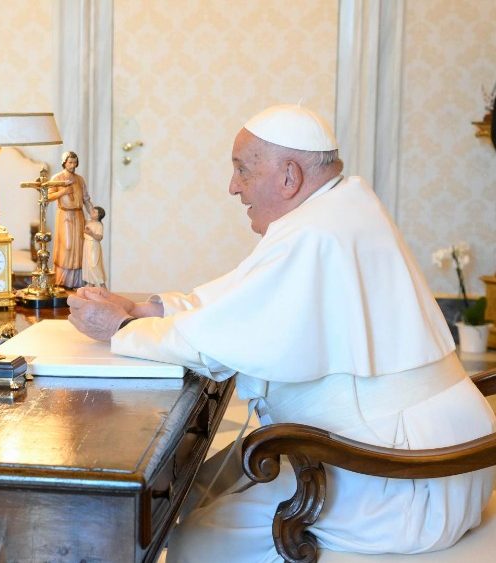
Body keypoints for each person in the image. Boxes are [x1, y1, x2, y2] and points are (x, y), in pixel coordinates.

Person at [67, 104, 496, 561]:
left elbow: (219, 344)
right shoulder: (339, 206)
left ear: (289, 176)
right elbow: (240, 298)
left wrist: (122, 328)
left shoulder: (315, 233)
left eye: (242, 170)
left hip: (403, 482)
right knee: (199, 492)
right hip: (445, 455)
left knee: (198, 539)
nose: (233, 186)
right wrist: (145, 308)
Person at [48, 151, 93, 289]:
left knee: (79, 246)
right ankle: (62, 281)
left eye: (75, 162)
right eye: (70, 162)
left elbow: (86, 199)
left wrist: (93, 214)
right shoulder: (57, 178)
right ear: (64, 163)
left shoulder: (80, 179)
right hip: (65, 215)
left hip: (78, 215)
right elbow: (48, 196)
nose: (73, 165)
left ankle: (77, 282)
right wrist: (63, 192)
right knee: (66, 246)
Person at [82, 205, 106, 287]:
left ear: (99, 216)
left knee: (94, 265)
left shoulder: (99, 225)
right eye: (93, 211)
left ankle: (102, 285)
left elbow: (99, 237)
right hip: (87, 245)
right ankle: (90, 285)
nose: (92, 212)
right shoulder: (88, 222)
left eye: (95, 212)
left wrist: (91, 233)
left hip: (93, 246)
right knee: (88, 265)